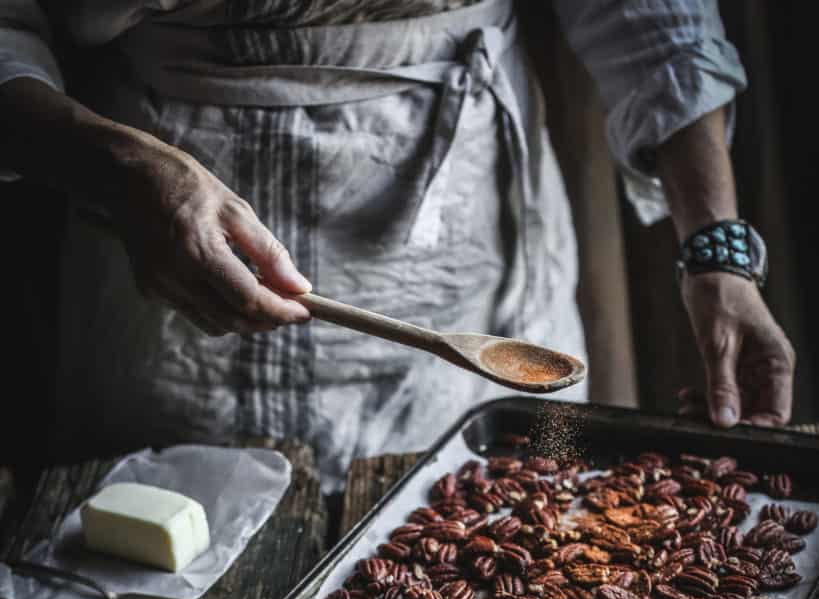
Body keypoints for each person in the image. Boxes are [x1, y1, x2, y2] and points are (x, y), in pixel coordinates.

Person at [0, 1, 795, 489]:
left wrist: (715, 250)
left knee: (496, 533)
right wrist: (115, 164)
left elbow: (655, 16)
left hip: (465, 224)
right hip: (162, 208)